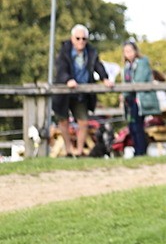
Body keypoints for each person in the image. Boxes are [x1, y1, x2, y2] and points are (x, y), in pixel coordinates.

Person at [52, 24, 114, 157]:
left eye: (83, 39)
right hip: (64, 93)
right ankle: (68, 151)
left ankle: (79, 152)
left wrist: (104, 78)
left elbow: (98, 65)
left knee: (84, 121)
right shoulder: (64, 51)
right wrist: (68, 79)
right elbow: (61, 69)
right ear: (72, 38)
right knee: (63, 121)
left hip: (82, 93)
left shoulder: (91, 52)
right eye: (78, 38)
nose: (81, 41)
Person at [120, 40, 159, 156]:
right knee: (132, 126)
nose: (128, 53)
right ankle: (137, 150)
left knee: (137, 126)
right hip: (130, 100)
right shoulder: (126, 67)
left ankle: (141, 151)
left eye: (130, 50)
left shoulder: (142, 63)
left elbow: (138, 81)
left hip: (140, 99)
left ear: (135, 51)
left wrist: (125, 93)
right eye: (126, 51)